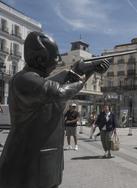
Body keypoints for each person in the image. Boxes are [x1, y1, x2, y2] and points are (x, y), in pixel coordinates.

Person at [0, 31, 110, 188]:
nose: (58, 60)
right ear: (39, 59)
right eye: (55, 57)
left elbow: (59, 87)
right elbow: (60, 92)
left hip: (45, 166)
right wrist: (83, 76)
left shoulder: (39, 81)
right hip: (26, 167)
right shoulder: (24, 79)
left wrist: (88, 68)